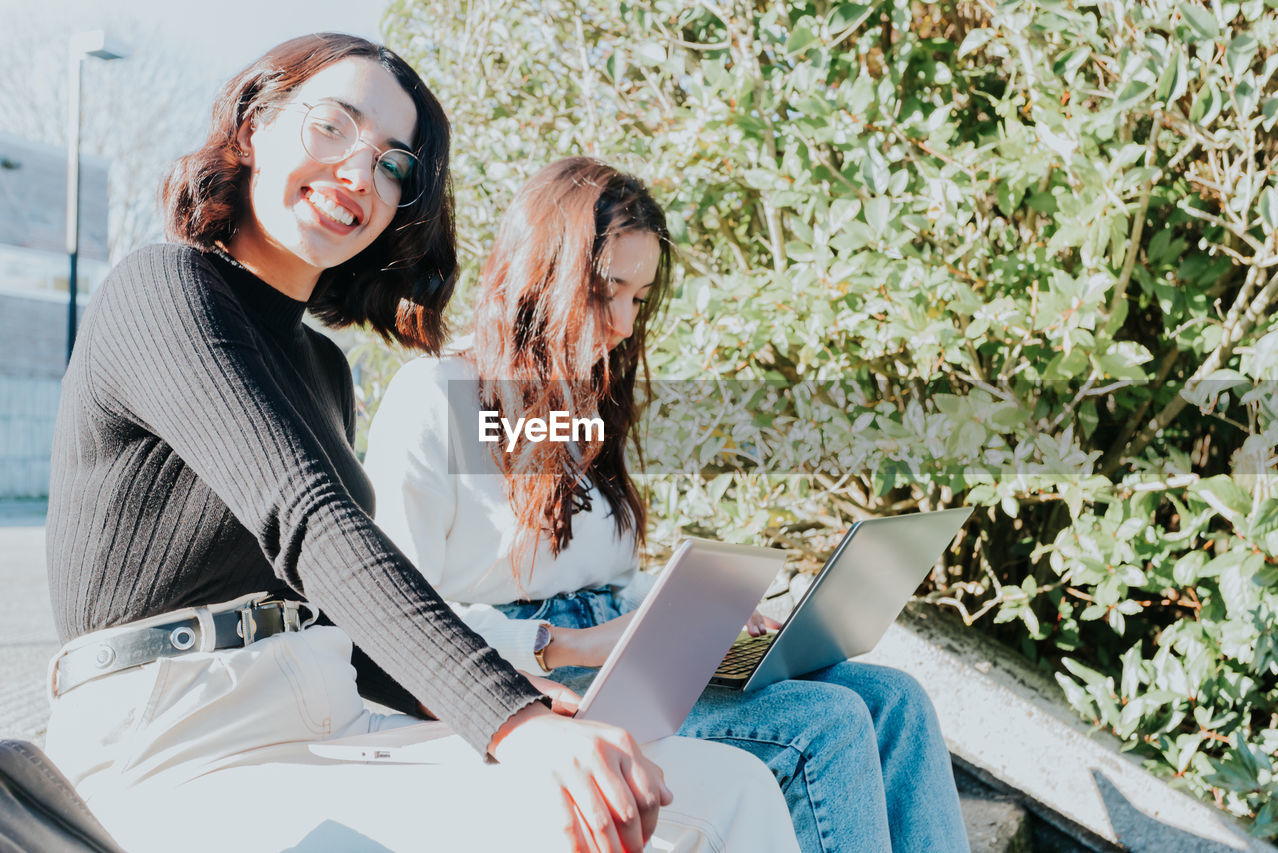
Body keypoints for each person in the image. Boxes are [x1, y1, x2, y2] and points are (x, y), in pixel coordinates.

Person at [43, 35, 799, 853]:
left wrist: (523, 693)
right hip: (174, 740)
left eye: (393, 165)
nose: (359, 175)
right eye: (333, 126)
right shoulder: (163, 289)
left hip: (333, 713)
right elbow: (310, 521)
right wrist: (511, 718)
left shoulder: (323, 368)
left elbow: (334, 619)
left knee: (727, 789)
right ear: (255, 124)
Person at [365, 157, 972, 852]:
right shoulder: (437, 396)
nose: (624, 323)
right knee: (823, 725)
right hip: (527, 675)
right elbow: (396, 618)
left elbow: (603, 579)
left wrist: (704, 611)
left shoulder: (580, 408)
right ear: (542, 276)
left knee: (896, 701)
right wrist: (563, 643)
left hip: (622, 661)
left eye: (640, 299)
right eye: (606, 292)